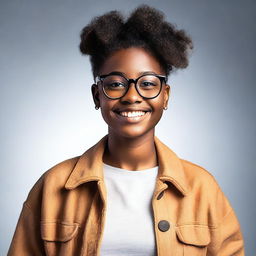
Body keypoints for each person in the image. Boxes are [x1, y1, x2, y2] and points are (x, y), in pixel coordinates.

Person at [8, 5, 244, 256]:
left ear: (165, 96)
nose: (132, 96)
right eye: (116, 83)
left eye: (148, 83)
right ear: (97, 95)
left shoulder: (201, 188)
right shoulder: (54, 185)